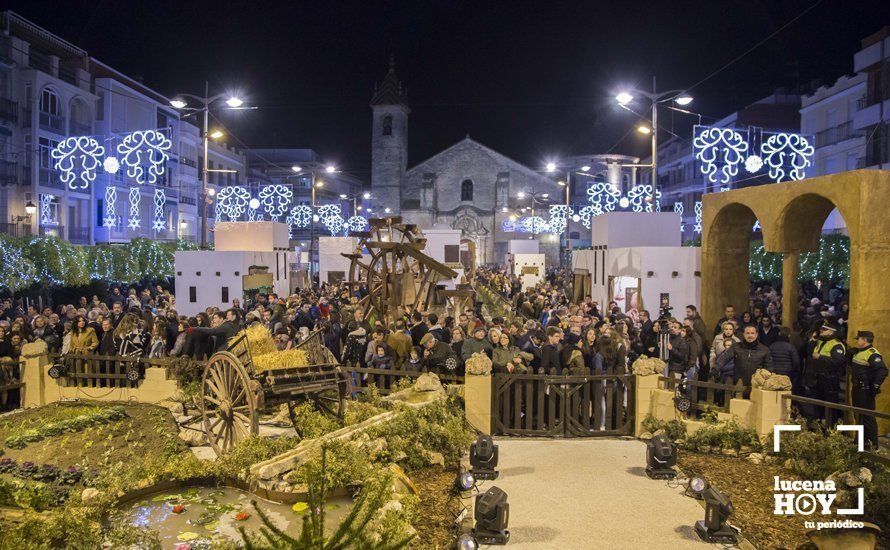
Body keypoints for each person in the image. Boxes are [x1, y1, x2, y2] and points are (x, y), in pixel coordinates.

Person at [803, 320, 846, 425]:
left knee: (830, 406)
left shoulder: (837, 344)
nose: (821, 331)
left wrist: (821, 357)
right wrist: (812, 341)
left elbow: (837, 362)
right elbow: (810, 355)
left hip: (829, 379)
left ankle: (830, 429)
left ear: (831, 332)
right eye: (821, 329)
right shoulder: (820, 341)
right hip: (818, 378)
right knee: (818, 405)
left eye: (824, 329)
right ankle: (819, 427)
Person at [849, 330, 887, 449]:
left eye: (859, 339)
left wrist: (875, 386)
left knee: (868, 417)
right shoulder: (860, 352)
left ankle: (872, 445)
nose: (857, 341)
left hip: (865, 390)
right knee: (858, 416)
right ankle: (859, 441)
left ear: (864, 340)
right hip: (856, 389)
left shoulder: (872, 354)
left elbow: (883, 371)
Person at [714, 324, 772, 397]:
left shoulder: (764, 350)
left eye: (752, 333)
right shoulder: (736, 346)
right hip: (738, 383)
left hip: (756, 386)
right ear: (744, 334)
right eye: (747, 333)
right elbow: (725, 357)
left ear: (756, 334)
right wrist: (715, 368)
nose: (750, 335)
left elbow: (769, 368)